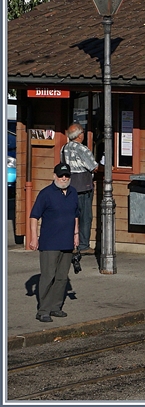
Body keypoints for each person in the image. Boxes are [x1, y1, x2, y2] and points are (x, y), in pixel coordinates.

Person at [28, 163, 80, 322]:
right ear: (54, 176)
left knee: (62, 277)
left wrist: (76, 234)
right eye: (60, 175)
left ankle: (55, 307)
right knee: (48, 276)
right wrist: (33, 237)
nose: (64, 178)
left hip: (67, 241)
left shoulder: (73, 193)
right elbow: (34, 216)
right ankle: (43, 310)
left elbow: (75, 215)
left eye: (66, 176)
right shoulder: (46, 194)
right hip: (49, 242)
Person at [60, 124, 98, 253]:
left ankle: (69, 243)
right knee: (85, 217)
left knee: (71, 216)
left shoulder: (63, 148)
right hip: (84, 186)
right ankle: (83, 245)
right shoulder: (82, 149)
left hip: (69, 186)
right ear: (80, 135)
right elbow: (94, 167)